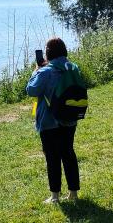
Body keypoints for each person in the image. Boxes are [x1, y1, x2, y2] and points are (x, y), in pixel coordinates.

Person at [26, 37, 80, 203]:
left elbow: (31, 90)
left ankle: (55, 196)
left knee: (52, 158)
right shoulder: (73, 67)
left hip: (49, 122)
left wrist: (36, 71)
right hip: (70, 118)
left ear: (48, 53)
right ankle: (73, 194)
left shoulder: (45, 72)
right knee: (68, 154)